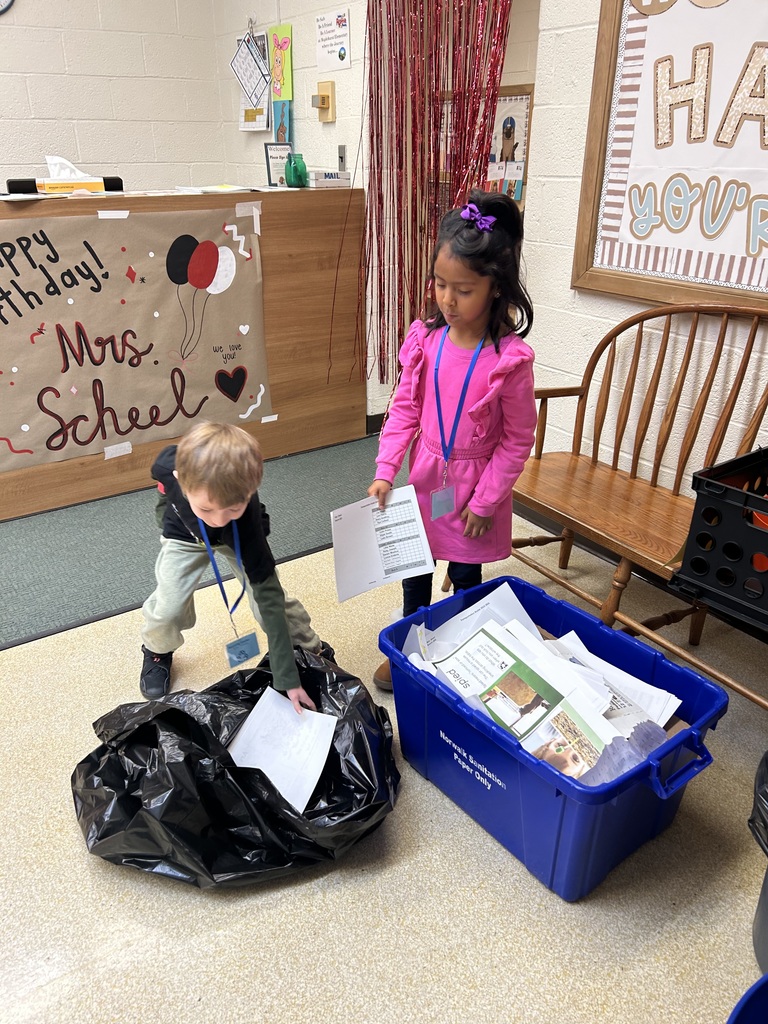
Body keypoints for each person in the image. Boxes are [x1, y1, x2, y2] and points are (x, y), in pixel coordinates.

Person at [368, 188, 537, 690]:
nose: (446, 298)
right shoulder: (426, 340)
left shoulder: (510, 361)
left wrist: (485, 502)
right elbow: (403, 410)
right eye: (440, 284)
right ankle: (410, 651)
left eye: (462, 290)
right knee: (415, 571)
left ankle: (466, 651)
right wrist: (384, 471)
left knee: (465, 578)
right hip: (425, 479)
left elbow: (517, 441)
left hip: (476, 491)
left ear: (496, 288)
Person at [140, 421, 331, 713]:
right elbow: (162, 481)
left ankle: (308, 648)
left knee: (272, 605)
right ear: (180, 479)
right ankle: (156, 651)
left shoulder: (245, 522)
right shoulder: (170, 465)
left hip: (237, 539)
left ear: (251, 490)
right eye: (206, 509)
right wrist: (165, 507)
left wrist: (288, 676)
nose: (218, 518)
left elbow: (268, 596)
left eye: (233, 507)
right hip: (184, 536)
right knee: (168, 607)